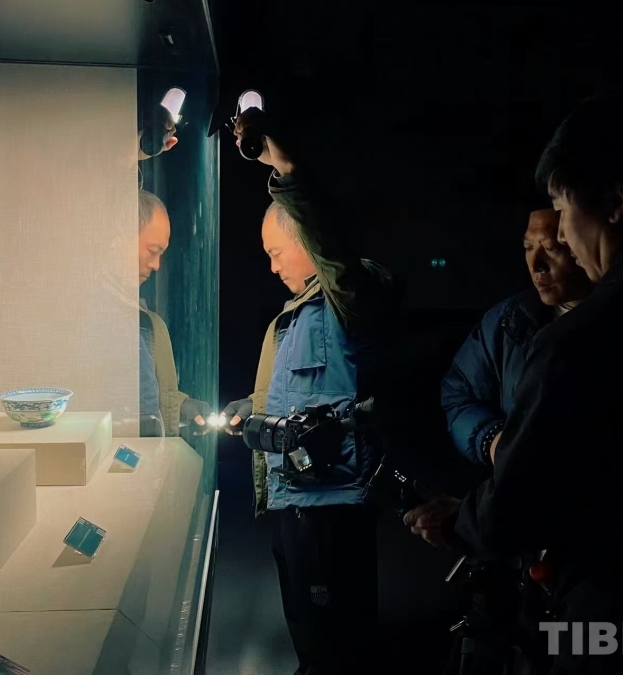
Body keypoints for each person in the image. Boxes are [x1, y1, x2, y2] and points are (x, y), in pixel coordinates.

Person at [404, 87, 623, 673]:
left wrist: (463, 519)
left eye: (564, 215)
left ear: (615, 205)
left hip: (614, 612)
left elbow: (517, 503)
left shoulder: (584, 341)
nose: (563, 242)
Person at [221, 111, 399, 675]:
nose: (272, 268)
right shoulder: (295, 318)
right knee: (308, 629)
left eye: (277, 253)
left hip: (331, 506)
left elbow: (337, 256)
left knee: (335, 643)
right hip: (295, 501)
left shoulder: (350, 300)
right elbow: (301, 395)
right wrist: (251, 410)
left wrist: (286, 170)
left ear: (306, 238)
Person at [441, 207, 590, 467]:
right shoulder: (507, 321)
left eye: (552, 248)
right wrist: (492, 440)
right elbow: (458, 392)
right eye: (528, 247)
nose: (536, 265)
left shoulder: (619, 320)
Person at [137, 189, 211, 436]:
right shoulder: (89, 316)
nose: (156, 265)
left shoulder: (145, 320)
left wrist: (178, 406)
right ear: (118, 237)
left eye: (161, 254)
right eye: (152, 250)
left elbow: (138, 395)